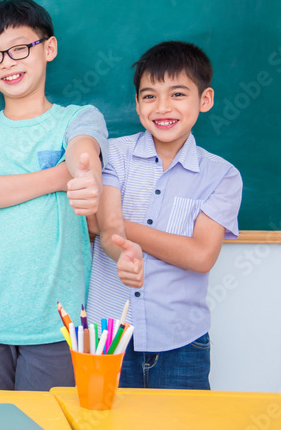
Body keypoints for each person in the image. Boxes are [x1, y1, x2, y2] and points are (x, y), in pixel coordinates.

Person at [0, 0, 142, 391]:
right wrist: (58, 177)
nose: (8, 62)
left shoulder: (79, 118)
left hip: (59, 318)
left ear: (48, 48)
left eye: (20, 48)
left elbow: (82, 152)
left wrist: (83, 174)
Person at [87, 41, 241, 389]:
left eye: (177, 94)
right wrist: (117, 242)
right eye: (149, 96)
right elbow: (106, 225)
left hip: (182, 342)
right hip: (108, 340)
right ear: (137, 104)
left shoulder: (221, 175)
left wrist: (125, 232)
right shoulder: (114, 155)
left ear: (205, 100)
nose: (163, 107)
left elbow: (201, 256)